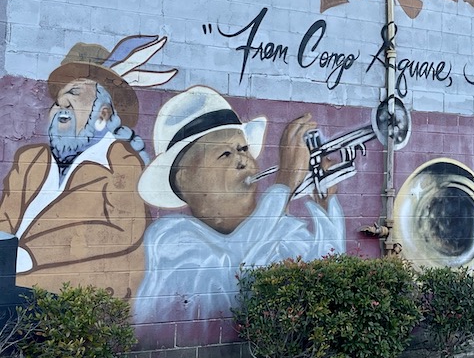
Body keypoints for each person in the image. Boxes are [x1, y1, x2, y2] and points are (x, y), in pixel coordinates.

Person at [134, 86, 345, 326]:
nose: (243, 161)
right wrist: (284, 183)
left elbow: (327, 280)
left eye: (243, 149)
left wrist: (326, 203)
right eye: (225, 154)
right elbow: (231, 280)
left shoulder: (283, 229)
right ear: (185, 179)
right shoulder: (172, 239)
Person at [0, 36, 176, 298]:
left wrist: (28, 255)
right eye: (57, 100)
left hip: (76, 300)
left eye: (74, 93)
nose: (62, 104)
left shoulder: (122, 165)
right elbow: (5, 219)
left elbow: (122, 230)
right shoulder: (30, 159)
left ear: (103, 115)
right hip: (11, 288)